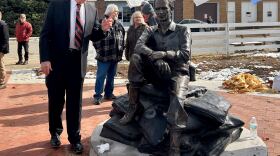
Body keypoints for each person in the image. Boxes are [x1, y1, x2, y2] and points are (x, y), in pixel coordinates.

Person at [39, 0, 112, 154]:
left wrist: (103, 30)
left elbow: (93, 35)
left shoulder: (91, 9)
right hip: (56, 63)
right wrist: (45, 59)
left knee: (75, 103)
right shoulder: (57, 5)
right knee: (56, 100)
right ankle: (55, 133)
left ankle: (75, 138)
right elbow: (45, 34)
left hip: (77, 64)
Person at [119, 0, 191, 154]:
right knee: (136, 58)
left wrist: (165, 54)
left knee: (177, 100)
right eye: (157, 9)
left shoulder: (182, 30)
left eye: (164, 8)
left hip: (177, 72)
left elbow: (185, 55)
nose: (160, 12)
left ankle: (174, 145)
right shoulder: (150, 30)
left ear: (171, 9)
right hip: (157, 70)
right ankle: (133, 107)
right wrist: (155, 57)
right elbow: (138, 46)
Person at [92, 4, 125, 105]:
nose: (117, 13)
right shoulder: (102, 22)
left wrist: (121, 49)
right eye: (116, 11)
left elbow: (122, 37)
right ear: (110, 12)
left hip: (114, 55)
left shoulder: (119, 24)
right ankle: (98, 96)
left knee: (111, 76)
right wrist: (100, 50)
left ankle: (108, 93)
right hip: (104, 56)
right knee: (101, 76)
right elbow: (95, 40)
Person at [0, 11, 9, 89]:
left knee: (1, 65)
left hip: (0, 49)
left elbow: (5, 38)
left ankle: (2, 82)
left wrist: (2, 50)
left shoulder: (3, 24)